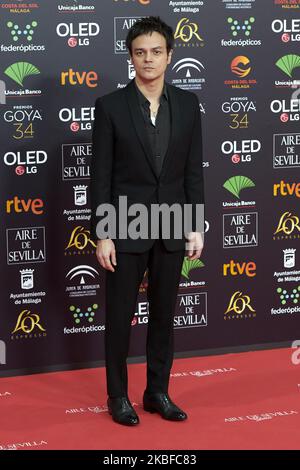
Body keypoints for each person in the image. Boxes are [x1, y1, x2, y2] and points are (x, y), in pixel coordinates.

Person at [90, 16, 204, 426]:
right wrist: (103, 233)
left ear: (170, 55)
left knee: (163, 316)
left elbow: (193, 171)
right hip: (125, 227)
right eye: (141, 53)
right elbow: (99, 177)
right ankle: (117, 396)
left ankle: (157, 392)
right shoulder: (110, 107)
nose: (149, 60)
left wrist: (195, 223)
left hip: (173, 223)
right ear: (131, 57)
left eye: (157, 52)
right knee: (120, 316)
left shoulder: (189, 105)